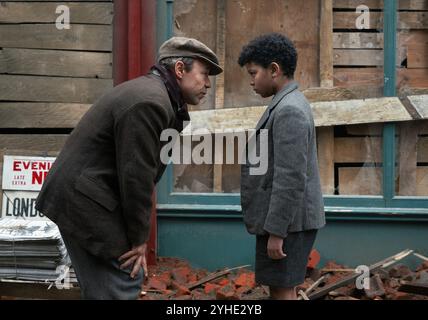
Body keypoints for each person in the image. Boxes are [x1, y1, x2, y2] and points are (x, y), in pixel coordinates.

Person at [35, 37, 223, 300]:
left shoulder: (154, 95)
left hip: (84, 197)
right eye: (204, 74)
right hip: (85, 201)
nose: (208, 83)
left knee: (105, 288)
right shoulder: (150, 102)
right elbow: (137, 177)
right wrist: (138, 240)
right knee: (122, 282)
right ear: (180, 70)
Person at [238, 33, 325, 300]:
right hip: (288, 221)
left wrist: (277, 232)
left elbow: (290, 177)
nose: (251, 81)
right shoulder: (286, 103)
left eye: (253, 73)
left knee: (282, 289)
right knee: (281, 286)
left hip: (288, 224)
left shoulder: (289, 110)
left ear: (274, 70)